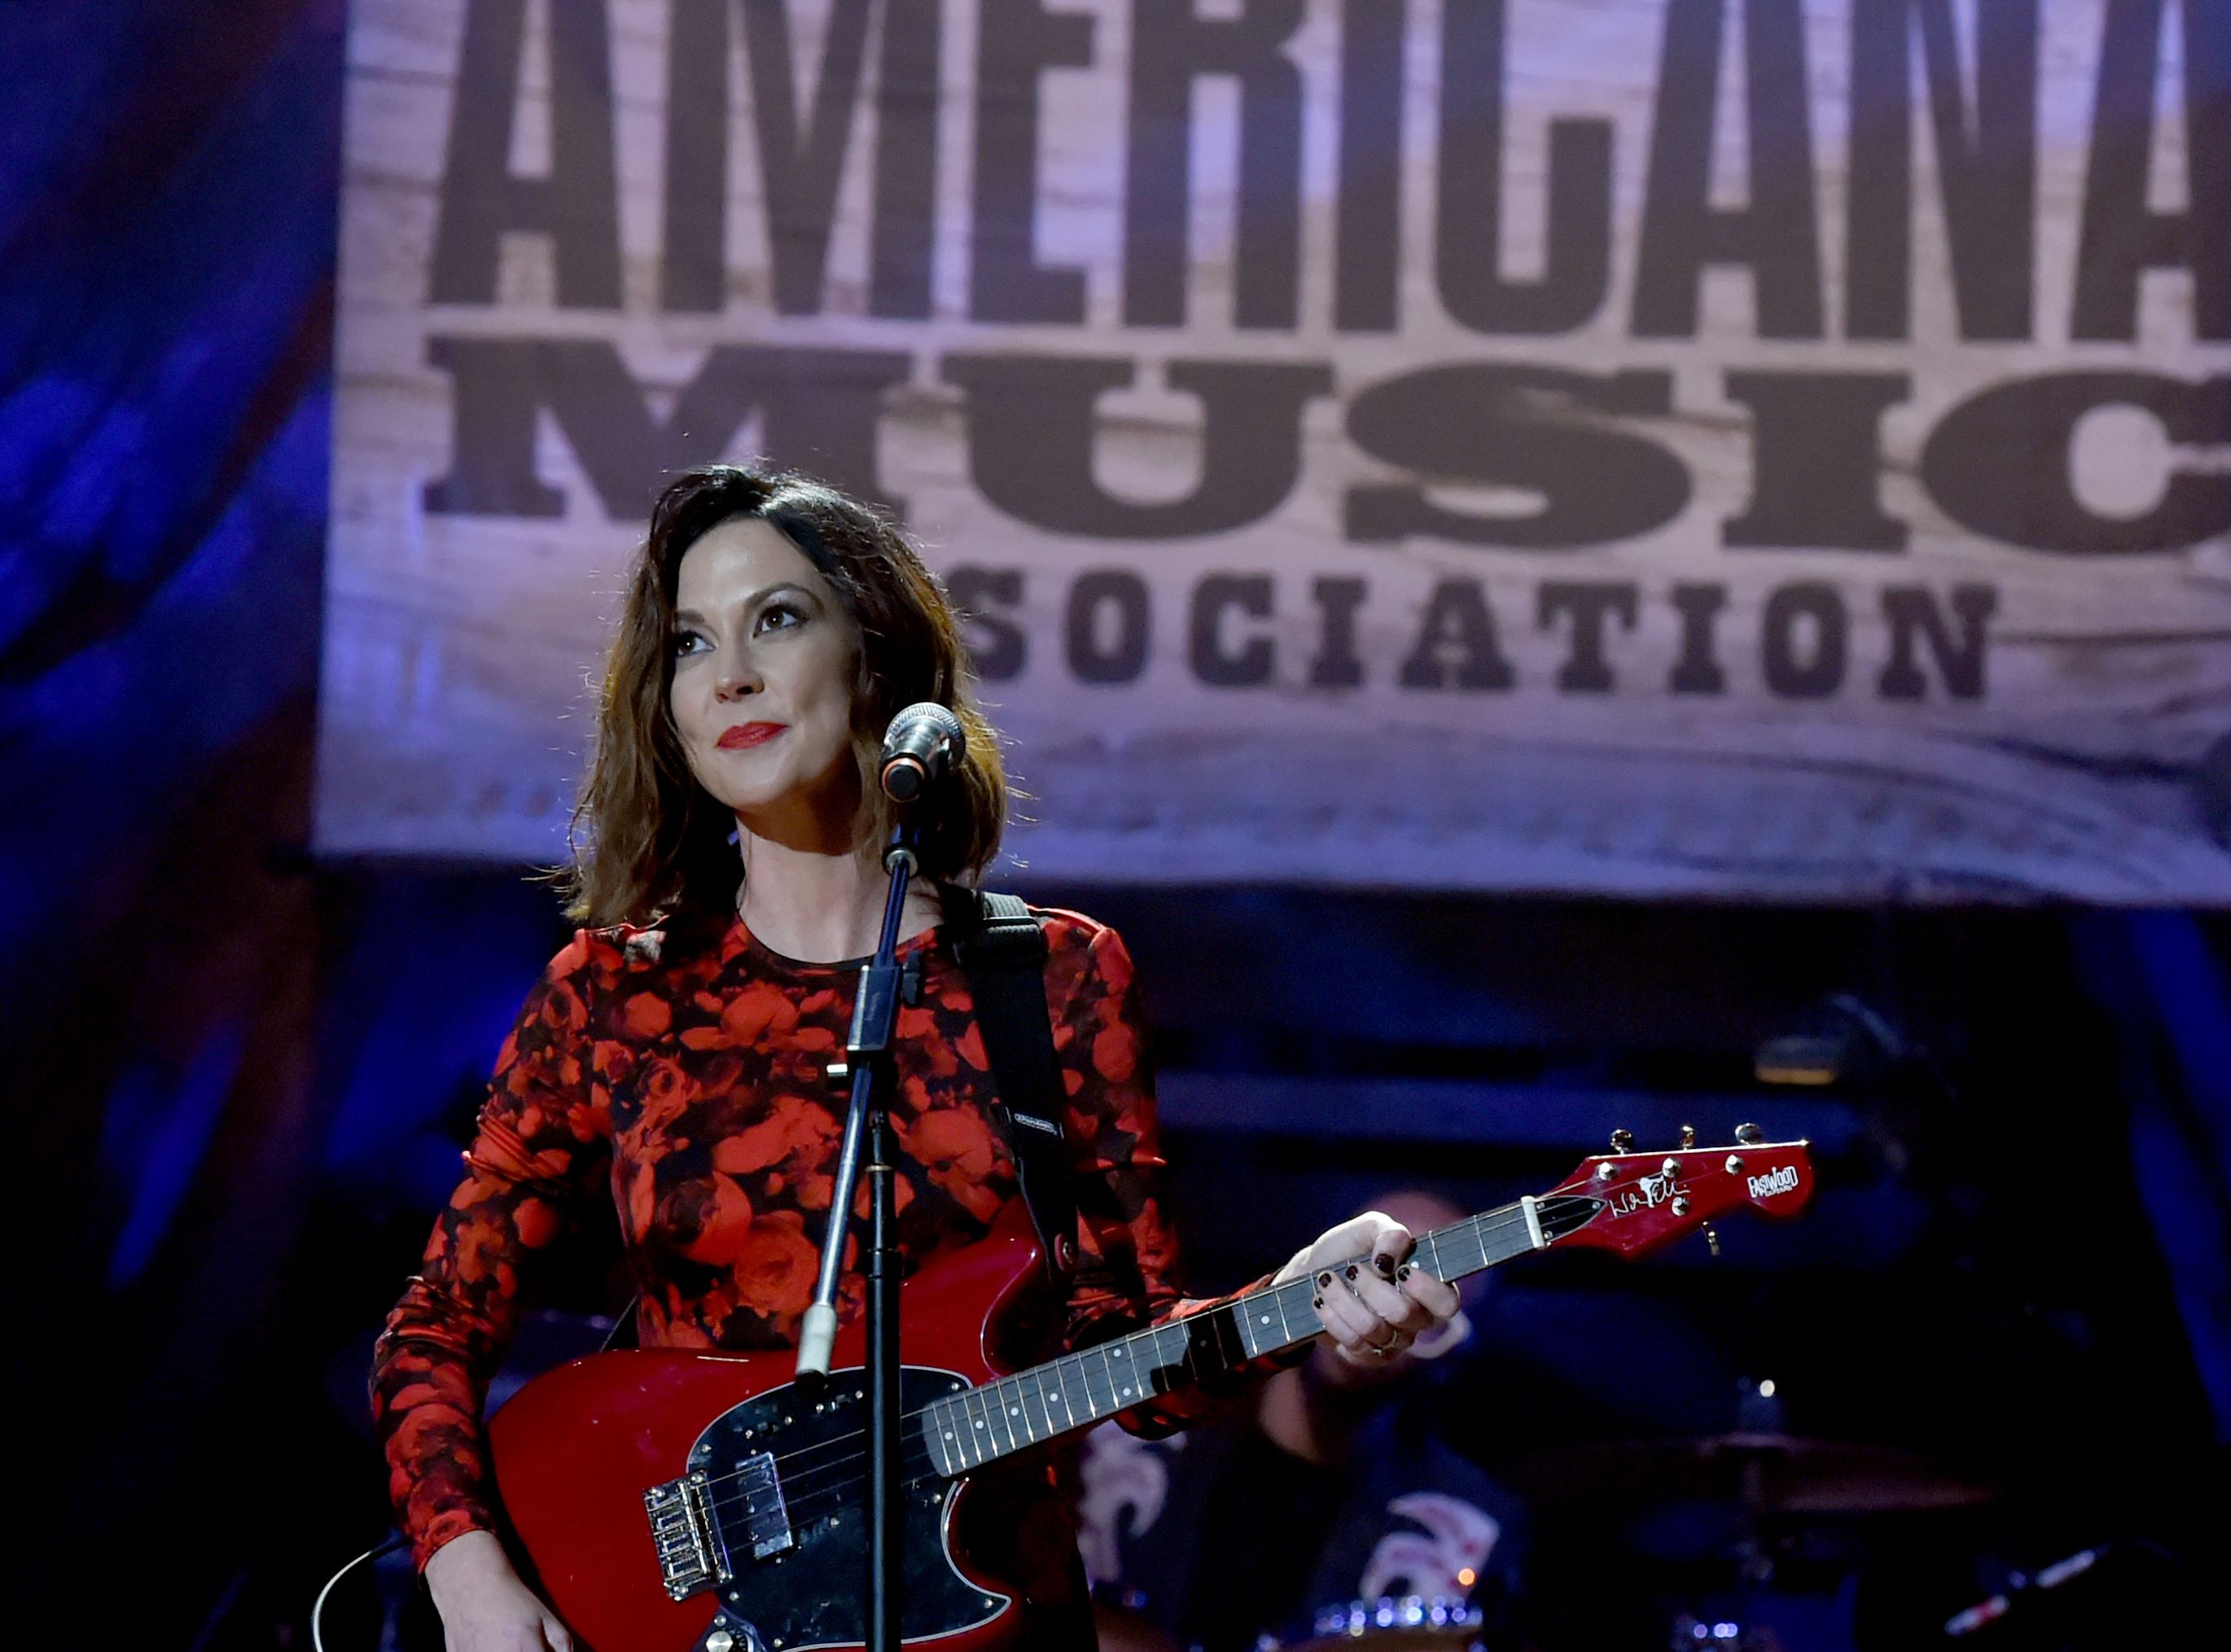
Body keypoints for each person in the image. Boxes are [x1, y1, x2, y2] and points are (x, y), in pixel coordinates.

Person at [369, 465, 1461, 1652]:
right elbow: (437, 1322)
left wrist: (1302, 1295)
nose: (729, 673)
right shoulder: (616, 991)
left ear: (877, 657)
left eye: (776, 619)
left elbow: (1127, 1356)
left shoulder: (1055, 977)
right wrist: (464, 1569)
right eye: (689, 642)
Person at [1079, 1190, 1530, 1652]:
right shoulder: (1120, 1436)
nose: (1372, 1309)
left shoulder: (1467, 1531)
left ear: (1456, 1352)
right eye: (1359, 1272)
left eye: (1419, 1304)